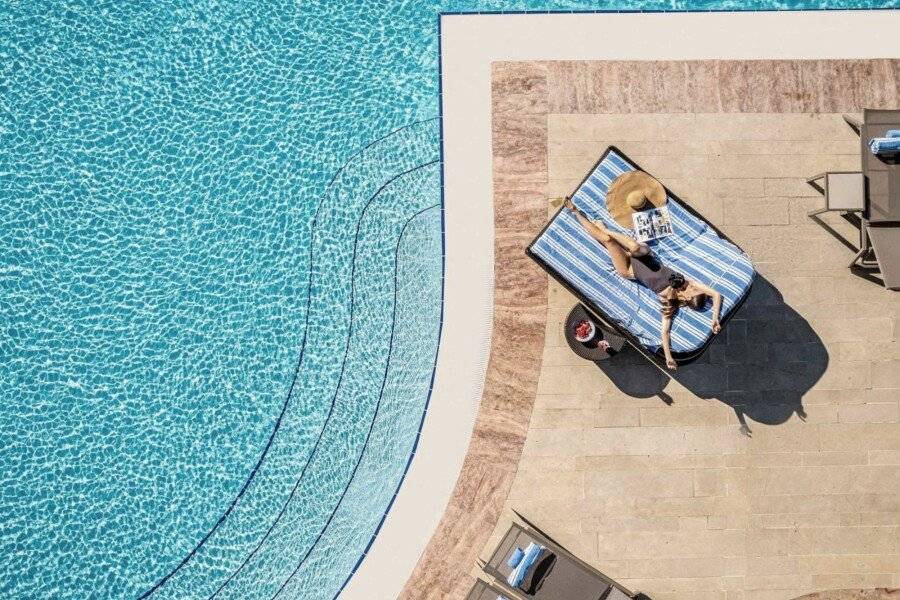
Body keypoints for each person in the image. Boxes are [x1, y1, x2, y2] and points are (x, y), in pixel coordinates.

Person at [564, 198, 721, 370]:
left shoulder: (670, 303)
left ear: (688, 299)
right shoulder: (685, 282)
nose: (693, 287)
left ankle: (575, 212)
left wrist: (668, 357)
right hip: (643, 255)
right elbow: (716, 294)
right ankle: (604, 228)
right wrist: (715, 319)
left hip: (629, 269)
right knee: (634, 246)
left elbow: (665, 332)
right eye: (695, 288)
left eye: (693, 291)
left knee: (607, 240)